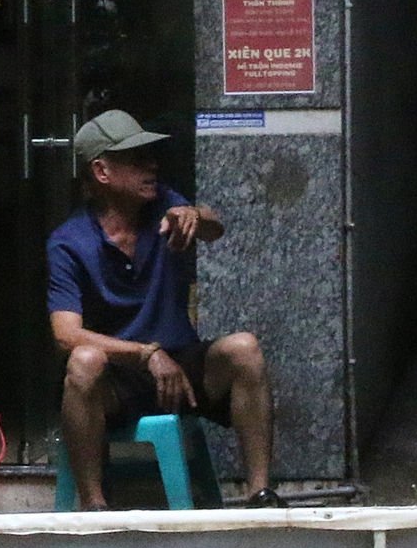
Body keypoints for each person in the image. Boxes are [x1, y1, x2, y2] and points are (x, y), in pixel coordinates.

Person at [47, 109, 281, 510]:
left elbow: (213, 226)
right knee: (83, 362)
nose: (150, 165)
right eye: (136, 158)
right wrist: (146, 354)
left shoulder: (164, 207)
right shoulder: (68, 242)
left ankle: (260, 494)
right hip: (120, 376)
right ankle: (93, 505)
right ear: (101, 171)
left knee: (245, 349)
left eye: (151, 155)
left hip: (182, 370)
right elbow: (65, 335)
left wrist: (195, 215)